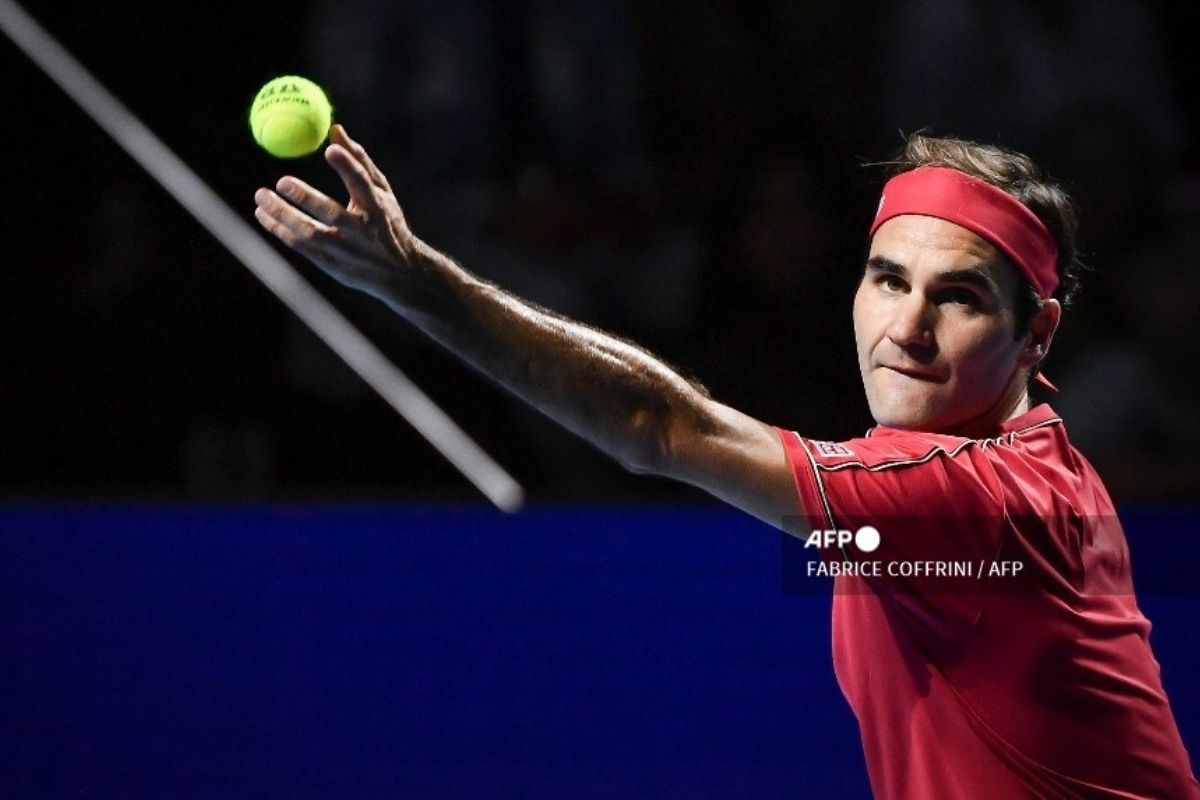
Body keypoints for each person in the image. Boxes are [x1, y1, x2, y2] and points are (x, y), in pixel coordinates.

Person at [253, 125, 1199, 798]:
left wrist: (415, 282)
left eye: (958, 298)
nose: (905, 328)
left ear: (1037, 335)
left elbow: (657, 428)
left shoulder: (980, 502)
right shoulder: (994, 469)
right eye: (886, 280)